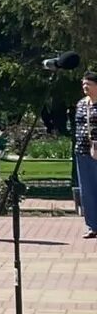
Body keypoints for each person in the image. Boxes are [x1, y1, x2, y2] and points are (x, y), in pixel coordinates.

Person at [74, 71, 97, 239]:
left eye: (88, 84)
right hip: (82, 151)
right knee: (86, 190)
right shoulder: (81, 104)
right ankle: (92, 226)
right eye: (83, 84)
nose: (84, 87)